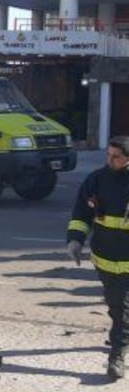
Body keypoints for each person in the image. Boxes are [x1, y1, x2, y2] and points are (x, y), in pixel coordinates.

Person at [67, 135, 129, 380]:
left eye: (116, 157)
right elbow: (81, 212)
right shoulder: (96, 180)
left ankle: (117, 355)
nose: (110, 160)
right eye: (108, 155)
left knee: (122, 312)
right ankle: (120, 347)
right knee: (119, 309)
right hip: (105, 259)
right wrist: (75, 240)